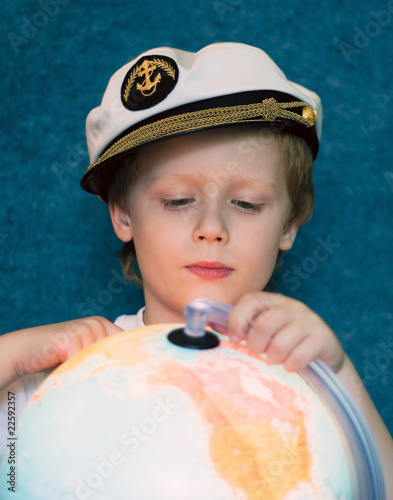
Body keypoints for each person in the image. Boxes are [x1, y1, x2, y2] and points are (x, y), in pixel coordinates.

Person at [0, 42, 392, 493]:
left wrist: (338, 379)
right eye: (178, 200)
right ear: (123, 215)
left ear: (289, 225)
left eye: (247, 203)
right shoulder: (67, 379)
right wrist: (14, 353)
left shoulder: (305, 379)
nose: (211, 228)